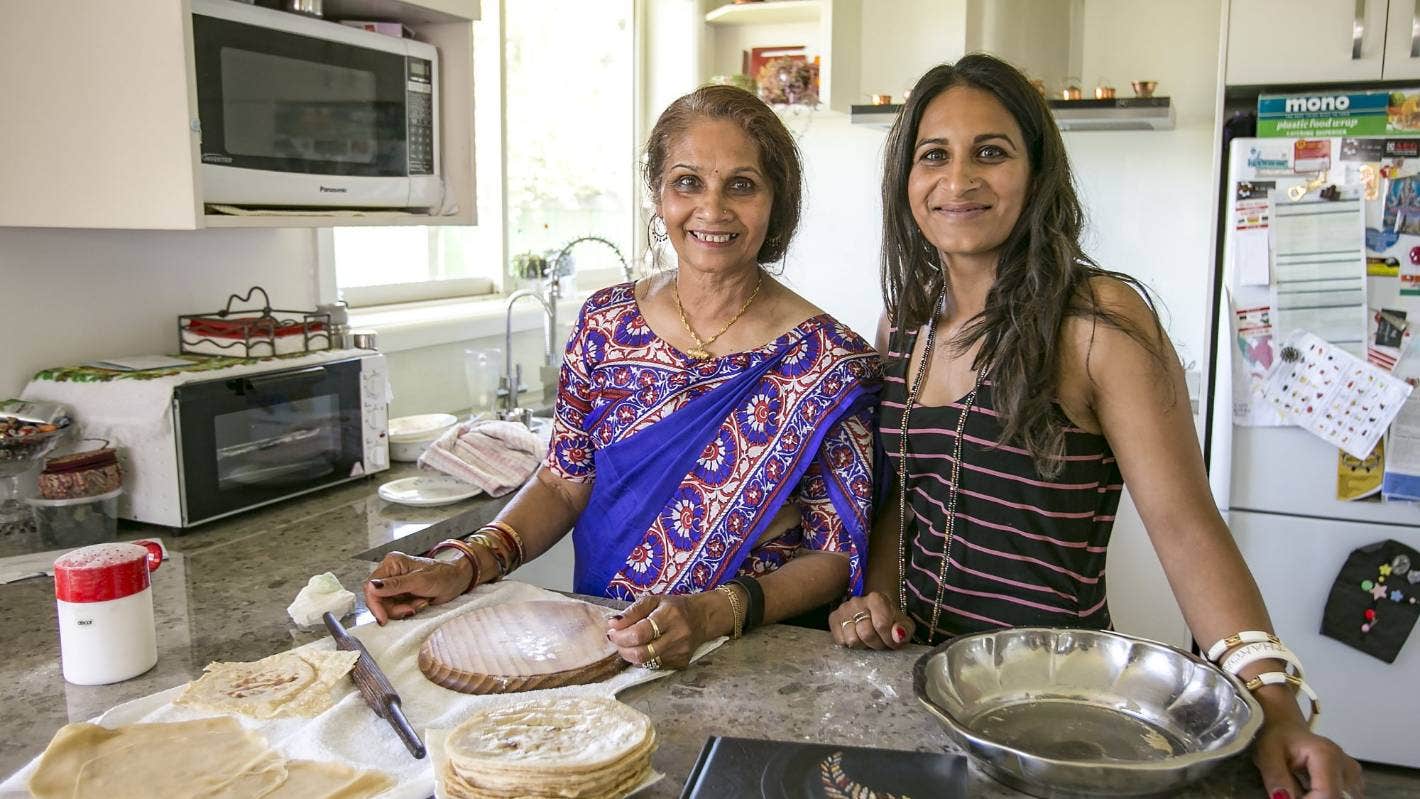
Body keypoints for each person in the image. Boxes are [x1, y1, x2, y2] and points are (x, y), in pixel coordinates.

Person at [827, 55, 1363, 799]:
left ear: (1037, 170)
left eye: (991, 151)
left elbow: (1185, 526)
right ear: (906, 182)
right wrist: (878, 598)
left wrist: (1272, 697)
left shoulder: (1096, 321)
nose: (959, 180)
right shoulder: (903, 322)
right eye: (933, 155)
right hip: (920, 690)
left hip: (1055, 710)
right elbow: (900, 495)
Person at [364, 84, 879, 672]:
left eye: (742, 184)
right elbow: (562, 482)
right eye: (688, 182)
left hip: (752, 659)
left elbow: (835, 553)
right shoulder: (606, 323)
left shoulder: (831, 361)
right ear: (659, 197)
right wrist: (467, 561)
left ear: (775, 201)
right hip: (599, 644)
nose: (712, 209)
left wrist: (712, 612)